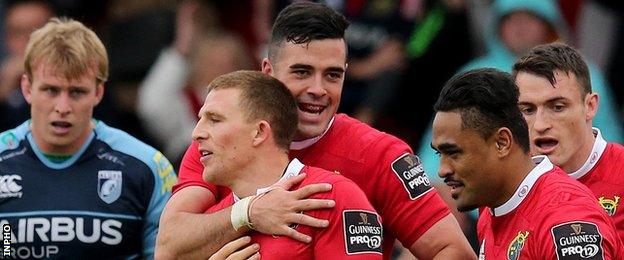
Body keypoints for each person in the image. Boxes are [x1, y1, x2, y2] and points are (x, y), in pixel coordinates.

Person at [157, 2, 473, 259]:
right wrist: (249, 212)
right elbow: (169, 247)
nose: (318, 89)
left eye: (333, 75)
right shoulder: (221, 143)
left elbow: (453, 252)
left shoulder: (379, 154)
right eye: (302, 72)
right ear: (268, 72)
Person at [0, 18, 176, 259]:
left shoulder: (147, 167)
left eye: (77, 92)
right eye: (51, 90)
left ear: (98, 92)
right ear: (27, 88)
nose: (62, 107)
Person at [416, 0, 623, 184]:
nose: (519, 28)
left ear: (547, 24)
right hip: (484, 201)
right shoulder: (473, 76)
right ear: (497, 26)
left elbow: (609, 138)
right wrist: (437, 184)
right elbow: (441, 142)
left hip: (579, 188)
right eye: (511, 19)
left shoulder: (582, 72)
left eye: (528, 19)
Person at [431, 68, 623, 259]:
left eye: (454, 153)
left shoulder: (565, 218)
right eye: (439, 153)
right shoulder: (491, 209)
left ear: (502, 142)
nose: (442, 170)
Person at [191, 70, 383, 258]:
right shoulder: (216, 223)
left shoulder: (332, 197)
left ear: (259, 132)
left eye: (214, 120)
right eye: (201, 120)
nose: (197, 133)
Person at [513, 42, 624, 241]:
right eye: (527, 110)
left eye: (557, 107)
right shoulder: (504, 192)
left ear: (590, 106)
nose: (540, 125)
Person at [0, 0, 54, 131]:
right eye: (18, 32)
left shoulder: (80, 79)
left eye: (38, 30)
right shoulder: (3, 84)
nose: (28, 39)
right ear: (7, 39)